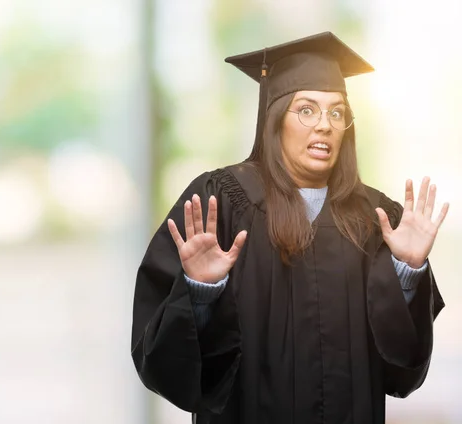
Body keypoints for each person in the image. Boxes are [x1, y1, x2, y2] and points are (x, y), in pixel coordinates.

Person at [130, 32, 448, 424]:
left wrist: (406, 273)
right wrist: (200, 293)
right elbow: (166, 367)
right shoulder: (222, 203)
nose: (325, 125)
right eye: (307, 109)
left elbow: (401, 371)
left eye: (336, 112)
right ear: (275, 117)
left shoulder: (375, 219)